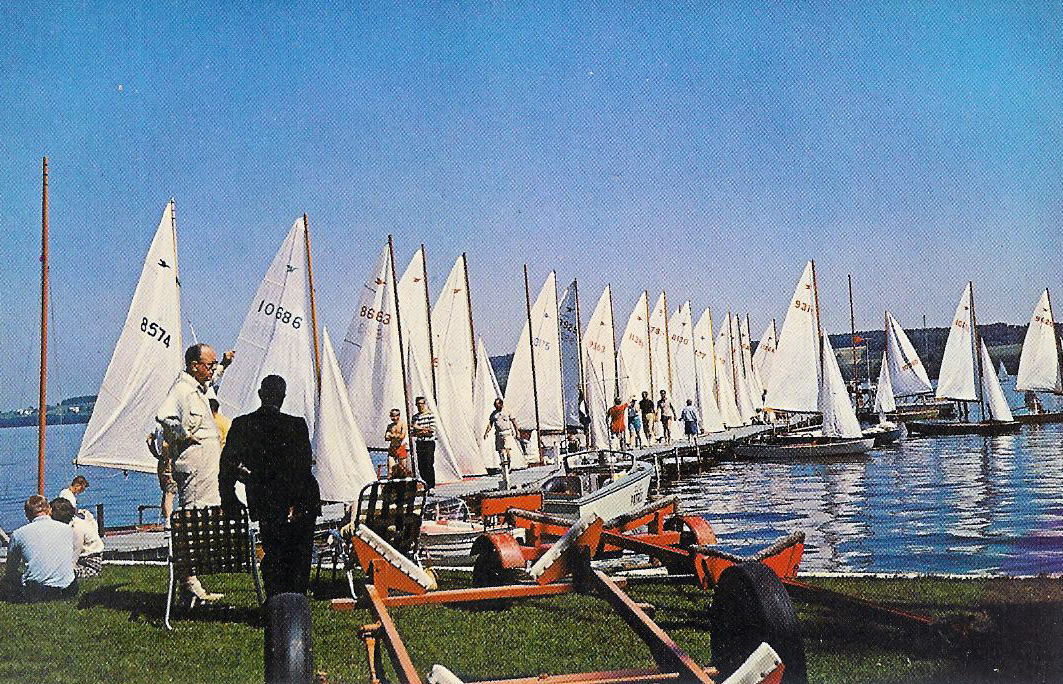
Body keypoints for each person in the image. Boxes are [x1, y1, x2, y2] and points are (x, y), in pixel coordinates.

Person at [220, 375, 321, 598]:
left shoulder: (242, 425)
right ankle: (296, 599)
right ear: (283, 398)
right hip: (301, 498)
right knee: (299, 556)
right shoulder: (296, 425)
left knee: (274, 552)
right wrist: (295, 503)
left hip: (267, 498)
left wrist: (228, 496)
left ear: (260, 395)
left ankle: (277, 599)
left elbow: (226, 465)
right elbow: (302, 468)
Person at [156, 343, 226, 601]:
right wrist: (183, 436)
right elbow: (164, 416)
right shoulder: (182, 390)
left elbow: (212, 379)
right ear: (194, 366)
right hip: (195, 470)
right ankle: (188, 582)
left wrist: (223, 366)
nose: (212, 370)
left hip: (207, 470)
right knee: (193, 521)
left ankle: (191, 580)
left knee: (201, 521)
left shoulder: (198, 387)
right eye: (209, 365)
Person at [3, 496, 77, 602]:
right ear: (50, 510)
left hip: (37, 592)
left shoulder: (18, 534)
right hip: (69, 589)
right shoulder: (68, 529)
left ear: (27, 514)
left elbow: (11, 570)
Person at [49, 498, 104, 578]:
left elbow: (76, 549)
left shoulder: (77, 528)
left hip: (89, 560)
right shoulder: (72, 523)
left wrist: (67, 569)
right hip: (81, 557)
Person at [485, 398, 520, 490]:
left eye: (497, 404)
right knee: (500, 451)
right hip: (498, 434)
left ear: (501, 404)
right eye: (495, 405)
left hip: (506, 433)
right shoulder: (494, 414)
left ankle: (508, 465)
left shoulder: (507, 411)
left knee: (506, 450)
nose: (496, 406)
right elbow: (490, 424)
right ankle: (504, 468)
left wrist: (517, 432)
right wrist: (486, 432)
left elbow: (514, 422)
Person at [410, 396, 436, 491]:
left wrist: (419, 428)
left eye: (421, 404)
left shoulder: (430, 415)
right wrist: (422, 430)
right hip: (420, 443)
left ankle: (431, 485)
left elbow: (431, 430)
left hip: (429, 442)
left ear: (425, 404)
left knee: (429, 463)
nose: (420, 406)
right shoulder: (415, 417)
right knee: (421, 465)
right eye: (418, 404)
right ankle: (425, 484)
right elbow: (413, 432)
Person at [385, 409, 410, 477]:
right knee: (390, 470)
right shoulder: (390, 426)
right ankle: (391, 486)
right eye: (392, 416)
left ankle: (403, 485)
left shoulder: (402, 423)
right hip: (392, 448)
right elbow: (386, 437)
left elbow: (402, 436)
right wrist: (395, 436)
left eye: (396, 416)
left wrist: (392, 435)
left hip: (401, 447)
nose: (394, 418)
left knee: (402, 469)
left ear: (399, 415)